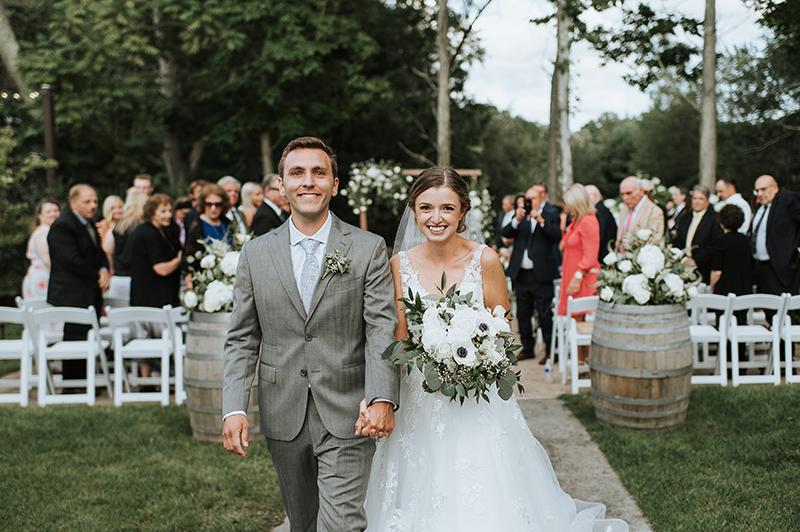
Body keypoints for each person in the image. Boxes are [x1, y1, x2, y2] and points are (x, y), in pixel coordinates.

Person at [361, 167, 628, 532]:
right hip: (419, 400)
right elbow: (400, 337)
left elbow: (502, 331)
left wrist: (474, 361)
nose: (435, 218)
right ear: (414, 210)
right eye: (425, 208)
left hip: (475, 398)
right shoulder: (399, 265)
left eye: (446, 209)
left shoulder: (484, 260)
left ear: (462, 212)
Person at [222, 136, 399, 531]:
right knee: (303, 523)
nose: (308, 181)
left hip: (350, 410)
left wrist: (382, 397)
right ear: (281, 185)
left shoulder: (368, 248)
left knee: (341, 523)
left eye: (319, 172)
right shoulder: (255, 254)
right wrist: (234, 407)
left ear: (334, 185)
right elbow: (242, 338)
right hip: (282, 410)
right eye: (297, 172)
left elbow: (381, 328)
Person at [47, 184, 110, 382]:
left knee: (90, 335)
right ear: (74, 203)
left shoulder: (89, 223)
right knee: (75, 337)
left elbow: (97, 252)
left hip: (89, 291)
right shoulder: (63, 226)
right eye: (87, 201)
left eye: (95, 201)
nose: (93, 206)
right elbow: (72, 260)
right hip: (72, 293)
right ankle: (73, 382)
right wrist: (96, 275)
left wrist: (104, 269)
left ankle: (87, 379)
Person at [502, 183, 561, 362]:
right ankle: (528, 348)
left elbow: (556, 236)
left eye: (532, 198)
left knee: (544, 313)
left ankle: (551, 351)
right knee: (523, 313)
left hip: (541, 272)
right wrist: (516, 220)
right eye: (526, 199)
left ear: (541, 196)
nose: (528, 202)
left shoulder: (551, 213)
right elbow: (505, 233)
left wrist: (541, 221)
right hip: (521, 272)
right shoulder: (521, 214)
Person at [129, 194, 182, 382]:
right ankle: (147, 382)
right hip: (149, 297)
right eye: (163, 211)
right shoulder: (147, 233)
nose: (168, 215)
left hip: (158, 295)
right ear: (152, 212)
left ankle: (156, 380)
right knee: (149, 340)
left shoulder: (163, 231)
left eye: (169, 210)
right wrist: (179, 260)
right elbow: (162, 269)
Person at [557, 185, 600, 363]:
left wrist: (577, 276)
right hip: (571, 274)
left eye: (569, 204)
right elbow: (563, 245)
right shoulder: (576, 220)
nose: (567, 208)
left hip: (582, 277)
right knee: (576, 320)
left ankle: (583, 361)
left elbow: (591, 255)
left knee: (581, 319)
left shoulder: (589, 221)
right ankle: (579, 360)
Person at [750, 174, 800, 295]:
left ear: (775, 187)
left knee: (784, 309)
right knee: (767, 308)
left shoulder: (787, 200)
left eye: (763, 189)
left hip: (780, 267)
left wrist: (795, 251)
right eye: (757, 190)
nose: (759, 194)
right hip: (760, 266)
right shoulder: (760, 207)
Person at [673, 185, 724, 285]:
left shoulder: (715, 219)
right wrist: (682, 258)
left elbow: (714, 244)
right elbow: (678, 241)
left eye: (701, 199)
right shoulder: (685, 218)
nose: (697, 201)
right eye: (695, 198)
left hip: (704, 268)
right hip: (683, 266)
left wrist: (696, 261)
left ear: (707, 200)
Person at [103, 188, 146, 300]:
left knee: (118, 314)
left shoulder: (118, 226)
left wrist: (113, 267)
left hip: (119, 278)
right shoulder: (146, 227)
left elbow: (107, 249)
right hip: (140, 279)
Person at [184, 184, 231, 286]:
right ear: (203, 204)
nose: (213, 208)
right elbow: (189, 256)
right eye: (209, 204)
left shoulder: (227, 223)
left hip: (228, 278)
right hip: (204, 280)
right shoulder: (196, 225)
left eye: (218, 204)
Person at [710, 205, 753, 297]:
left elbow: (717, 272)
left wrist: (712, 287)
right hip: (744, 290)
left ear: (721, 222)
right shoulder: (746, 240)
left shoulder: (719, 242)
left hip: (724, 290)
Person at [22, 199, 61, 299]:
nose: (53, 214)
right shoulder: (44, 231)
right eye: (48, 211)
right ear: (40, 216)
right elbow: (47, 260)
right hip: (43, 279)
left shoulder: (46, 231)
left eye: (56, 210)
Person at [616, 176, 664, 249]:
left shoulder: (654, 211)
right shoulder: (624, 209)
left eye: (629, 193)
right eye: (622, 194)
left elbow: (655, 241)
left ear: (641, 191)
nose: (625, 198)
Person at [585, 184, 617, 262]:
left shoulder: (599, 212)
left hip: (603, 255)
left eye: (586, 197)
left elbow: (599, 236)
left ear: (595, 196)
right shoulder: (602, 209)